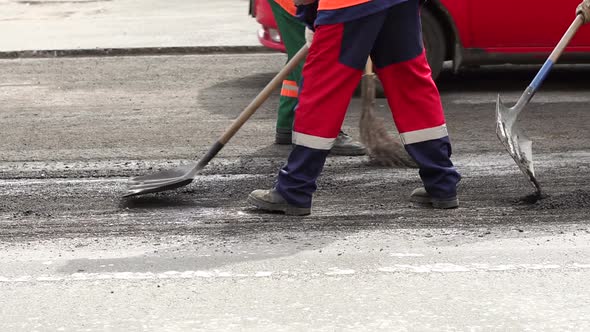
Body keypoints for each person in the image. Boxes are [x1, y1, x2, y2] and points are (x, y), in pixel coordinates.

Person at [248, 0, 461, 215]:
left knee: (322, 90)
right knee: (411, 84)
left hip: (348, 5)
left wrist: (311, 16)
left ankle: (294, 188)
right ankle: (441, 183)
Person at [267, 0, 366, 156]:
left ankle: (288, 121)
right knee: (316, 67)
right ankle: (324, 130)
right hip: (301, 4)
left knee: (299, 59)